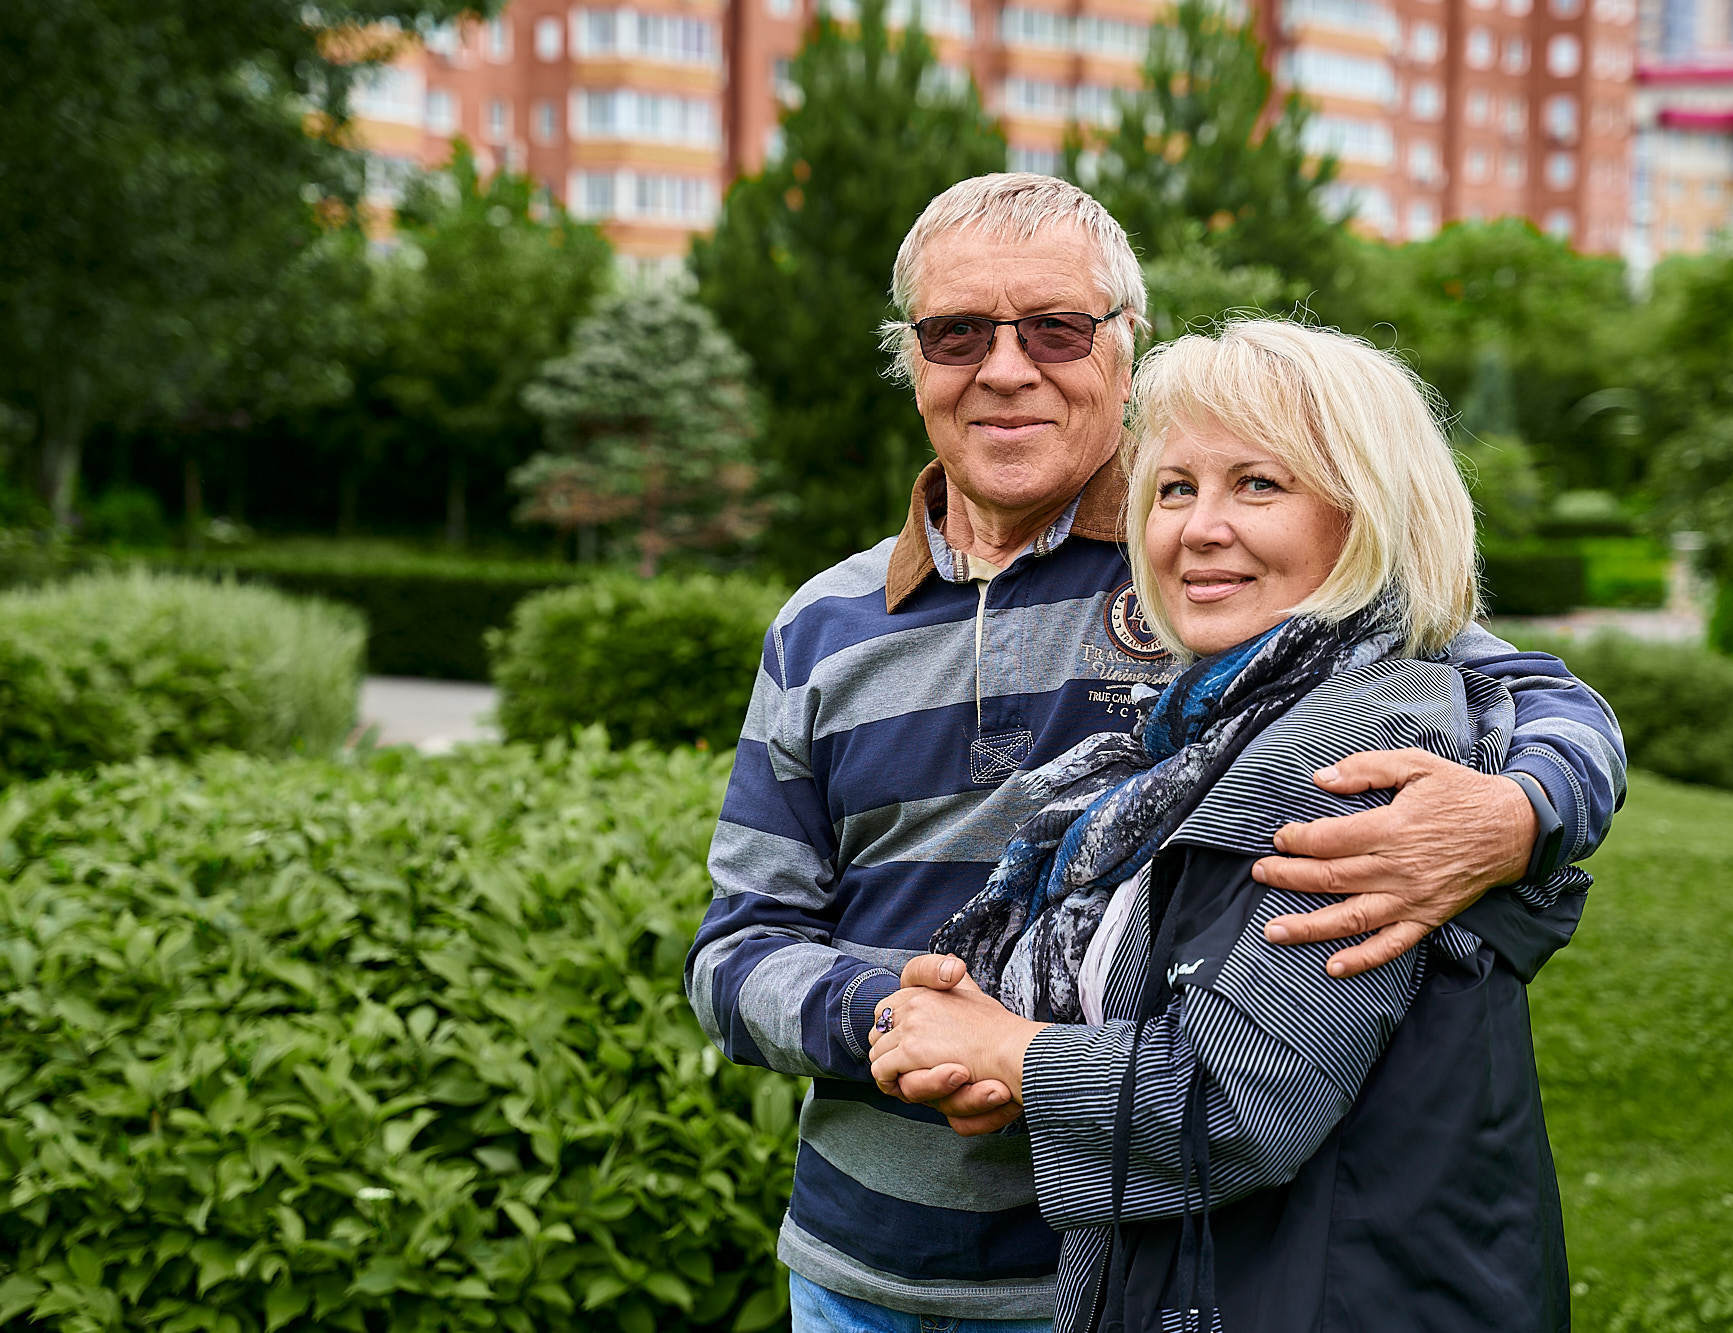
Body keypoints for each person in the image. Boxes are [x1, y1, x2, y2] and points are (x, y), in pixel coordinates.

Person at [685, 173, 1623, 1332]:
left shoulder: (1215, 574)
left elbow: (1520, 688)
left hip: (1125, 1274)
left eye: (1055, 328)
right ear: (912, 362)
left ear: (1123, 345)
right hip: (856, 1270)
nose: (1006, 367)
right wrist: (894, 1018)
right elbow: (736, 948)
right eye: (957, 331)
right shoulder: (821, 626)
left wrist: (1517, 815)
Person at [868, 319, 1582, 1332]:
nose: (1197, 527)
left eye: (1257, 484)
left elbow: (1237, 1102)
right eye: (1173, 488)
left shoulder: (1354, 750)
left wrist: (1010, 1052)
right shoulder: (1212, 732)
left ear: (1367, 515)